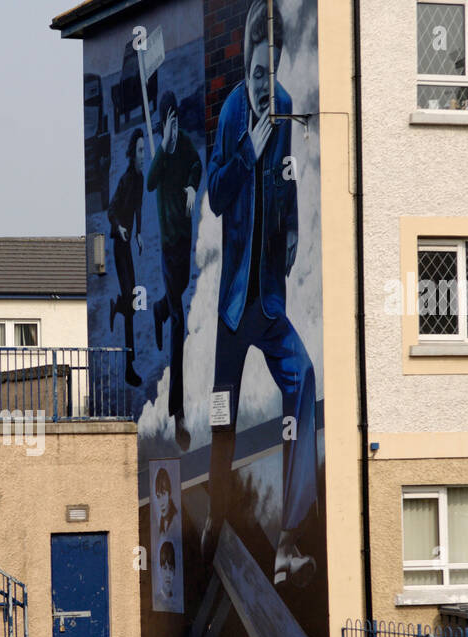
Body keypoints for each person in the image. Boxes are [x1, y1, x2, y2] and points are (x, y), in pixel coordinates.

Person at [205, 0, 317, 586]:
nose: (264, 85)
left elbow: (290, 172)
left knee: (303, 378)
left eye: (270, 74)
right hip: (232, 304)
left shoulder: (288, 107)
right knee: (221, 411)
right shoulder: (230, 115)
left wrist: (294, 227)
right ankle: (217, 520)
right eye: (255, 74)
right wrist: (248, 147)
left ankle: (289, 538)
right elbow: (217, 197)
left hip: (268, 300)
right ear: (245, 67)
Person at [147, 90, 201, 451]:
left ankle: (160, 308)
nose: (176, 124)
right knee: (180, 323)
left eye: (178, 118)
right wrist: (163, 149)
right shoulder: (162, 155)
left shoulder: (184, 146)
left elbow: (196, 164)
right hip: (168, 247)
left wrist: (194, 186)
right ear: (163, 122)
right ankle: (178, 411)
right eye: (171, 120)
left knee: (175, 299)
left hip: (185, 244)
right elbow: (150, 182)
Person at [108, 127, 145, 386]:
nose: (144, 155)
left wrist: (139, 233)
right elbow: (111, 210)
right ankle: (129, 368)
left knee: (131, 301)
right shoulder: (125, 180)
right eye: (141, 151)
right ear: (133, 154)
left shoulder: (141, 179)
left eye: (145, 151)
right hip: (119, 246)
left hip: (129, 245)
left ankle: (117, 306)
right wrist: (120, 226)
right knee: (132, 304)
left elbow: (139, 207)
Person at [154, 465, 179, 536]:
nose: (161, 503)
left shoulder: (176, 520)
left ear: (169, 494)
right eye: (158, 496)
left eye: (164, 494)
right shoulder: (162, 524)